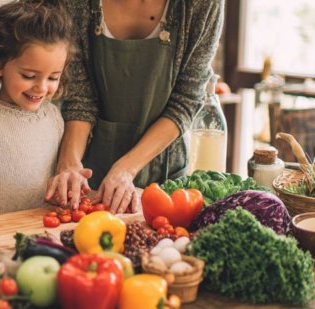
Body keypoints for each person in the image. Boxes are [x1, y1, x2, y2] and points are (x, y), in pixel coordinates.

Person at [45, 0, 224, 213]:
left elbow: (185, 99)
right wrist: (69, 163)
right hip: (88, 176)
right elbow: (79, 96)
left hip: (165, 178)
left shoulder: (203, 4)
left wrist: (126, 169)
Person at [0, 0, 76, 218]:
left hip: (47, 235)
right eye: (29, 76)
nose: (42, 87)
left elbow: (58, 178)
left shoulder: (53, 117)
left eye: (54, 77)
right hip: (0, 239)